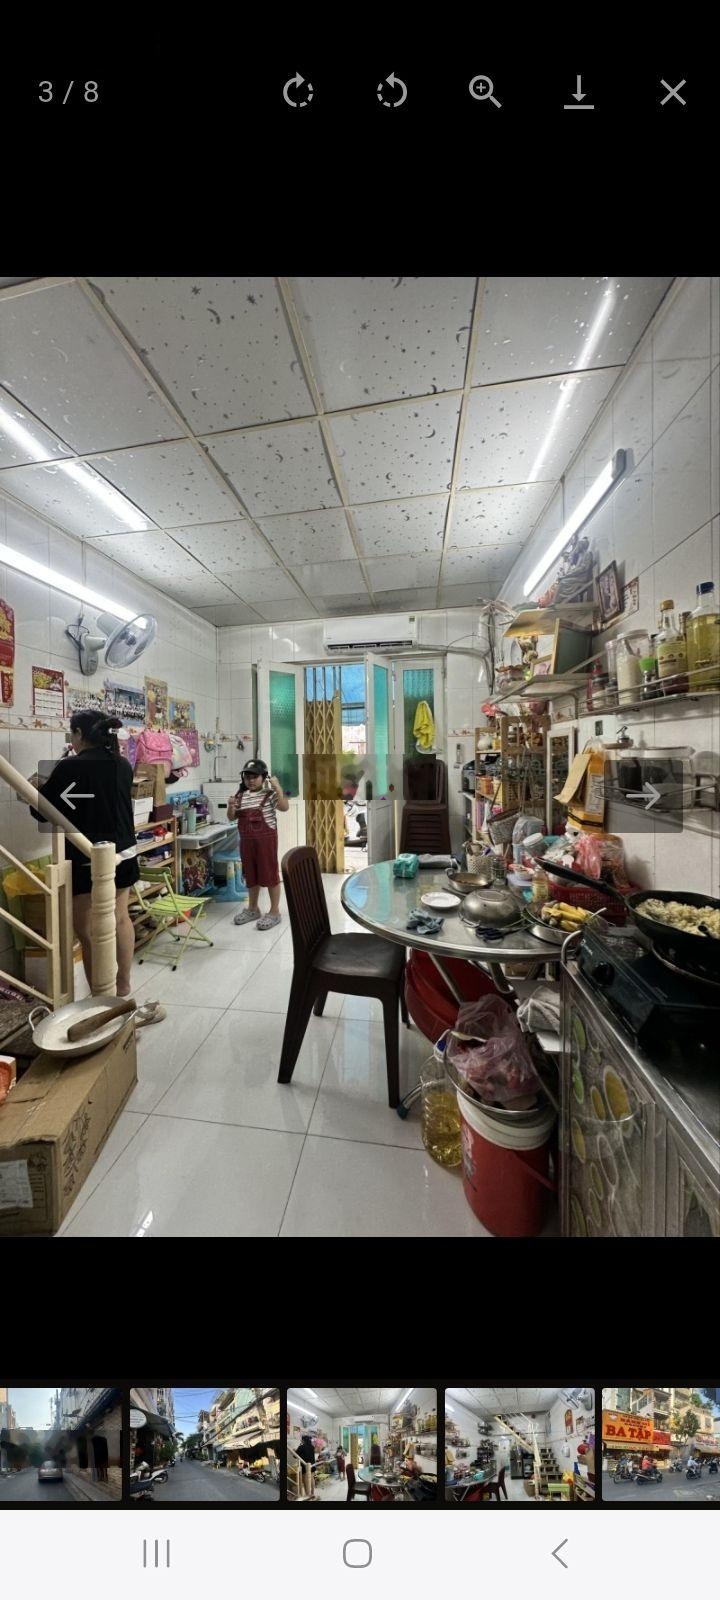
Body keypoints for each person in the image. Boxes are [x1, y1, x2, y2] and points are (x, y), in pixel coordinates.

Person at [29, 712, 140, 997]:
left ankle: (101, 996)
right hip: (124, 852)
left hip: (86, 856)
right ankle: (123, 984)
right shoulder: (121, 764)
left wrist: (35, 788)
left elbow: (42, 811)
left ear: (79, 733)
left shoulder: (71, 766)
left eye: (72, 735)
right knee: (120, 918)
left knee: (89, 930)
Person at [229, 759, 289, 930]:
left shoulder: (269, 794)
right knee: (251, 875)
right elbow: (231, 817)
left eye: (255, 777)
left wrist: (278, 788)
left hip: (266, 843)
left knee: (270, 875)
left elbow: (284, 807)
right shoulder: (240, 796)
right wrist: (230, 807)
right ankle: (253, 909)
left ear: (264, 777)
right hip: (246, 843)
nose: (251, 780)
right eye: (247, 777)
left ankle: (274, 912)